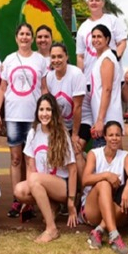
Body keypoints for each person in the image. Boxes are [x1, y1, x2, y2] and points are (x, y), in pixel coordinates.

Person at [0, 23, 48, 218]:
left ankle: (30, 200)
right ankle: (18, 199)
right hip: (14, 116)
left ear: (31, 38)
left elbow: (43, 88)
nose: (24, 37)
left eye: (27, 34)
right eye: (21, 34)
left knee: (30, 159)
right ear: (16, 38)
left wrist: (49, 111)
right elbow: (2, 88)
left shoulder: (40, 60)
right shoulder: (8, 60)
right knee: (16, 159)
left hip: (33, 118)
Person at [14, 94, 78, 243]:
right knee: (19, 190)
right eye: (41, 109)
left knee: (34, 179)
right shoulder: (33, 132)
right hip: (41, 183)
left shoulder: (62, 134)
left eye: (48, 109)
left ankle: (51, 229)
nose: (44, 113)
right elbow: (30, 165)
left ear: (54, 112)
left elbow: (73, 170)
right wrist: (28, 198)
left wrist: (70, 202)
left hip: (62, 186)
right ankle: (51, 207)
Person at [76, 0, 127, 143]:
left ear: (103, 2)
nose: (94, 3)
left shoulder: (112, 21)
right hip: (90, 81)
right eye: (91, 0)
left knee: (107, 132)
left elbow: (122, 42)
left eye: (97, 0)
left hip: (107, 77)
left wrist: (114, 57)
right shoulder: (83, 27)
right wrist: (79, 77)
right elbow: (80, 56)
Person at [81, 120, 128, 254]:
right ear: (105, 137)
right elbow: (85, 180)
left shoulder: (125, 156)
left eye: (117, 135)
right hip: (92, 209)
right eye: (111, 135)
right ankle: (114, 236)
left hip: (115, 211)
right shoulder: (94, 154)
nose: (114, 138)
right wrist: (106, 175)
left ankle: (99, 230)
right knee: (104, 183)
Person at [45, 42, 87, 174]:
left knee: (76, 151)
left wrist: (74, 134)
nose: (56, 60)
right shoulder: (49, 77)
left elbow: (78, 106)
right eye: (53, 57)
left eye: (59, 56)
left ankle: (86, 192)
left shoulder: (76, 74)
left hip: (82, 121)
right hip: (62, 124)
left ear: (66, 57)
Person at [90, 24, 123, 147]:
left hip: (108, 120)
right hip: (104, 119)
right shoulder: (101, 59)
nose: (96, 40)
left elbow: (107, 89)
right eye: (93, 37)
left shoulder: (107, 59)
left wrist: (100, 120)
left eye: (99, 36)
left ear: (107, 39)